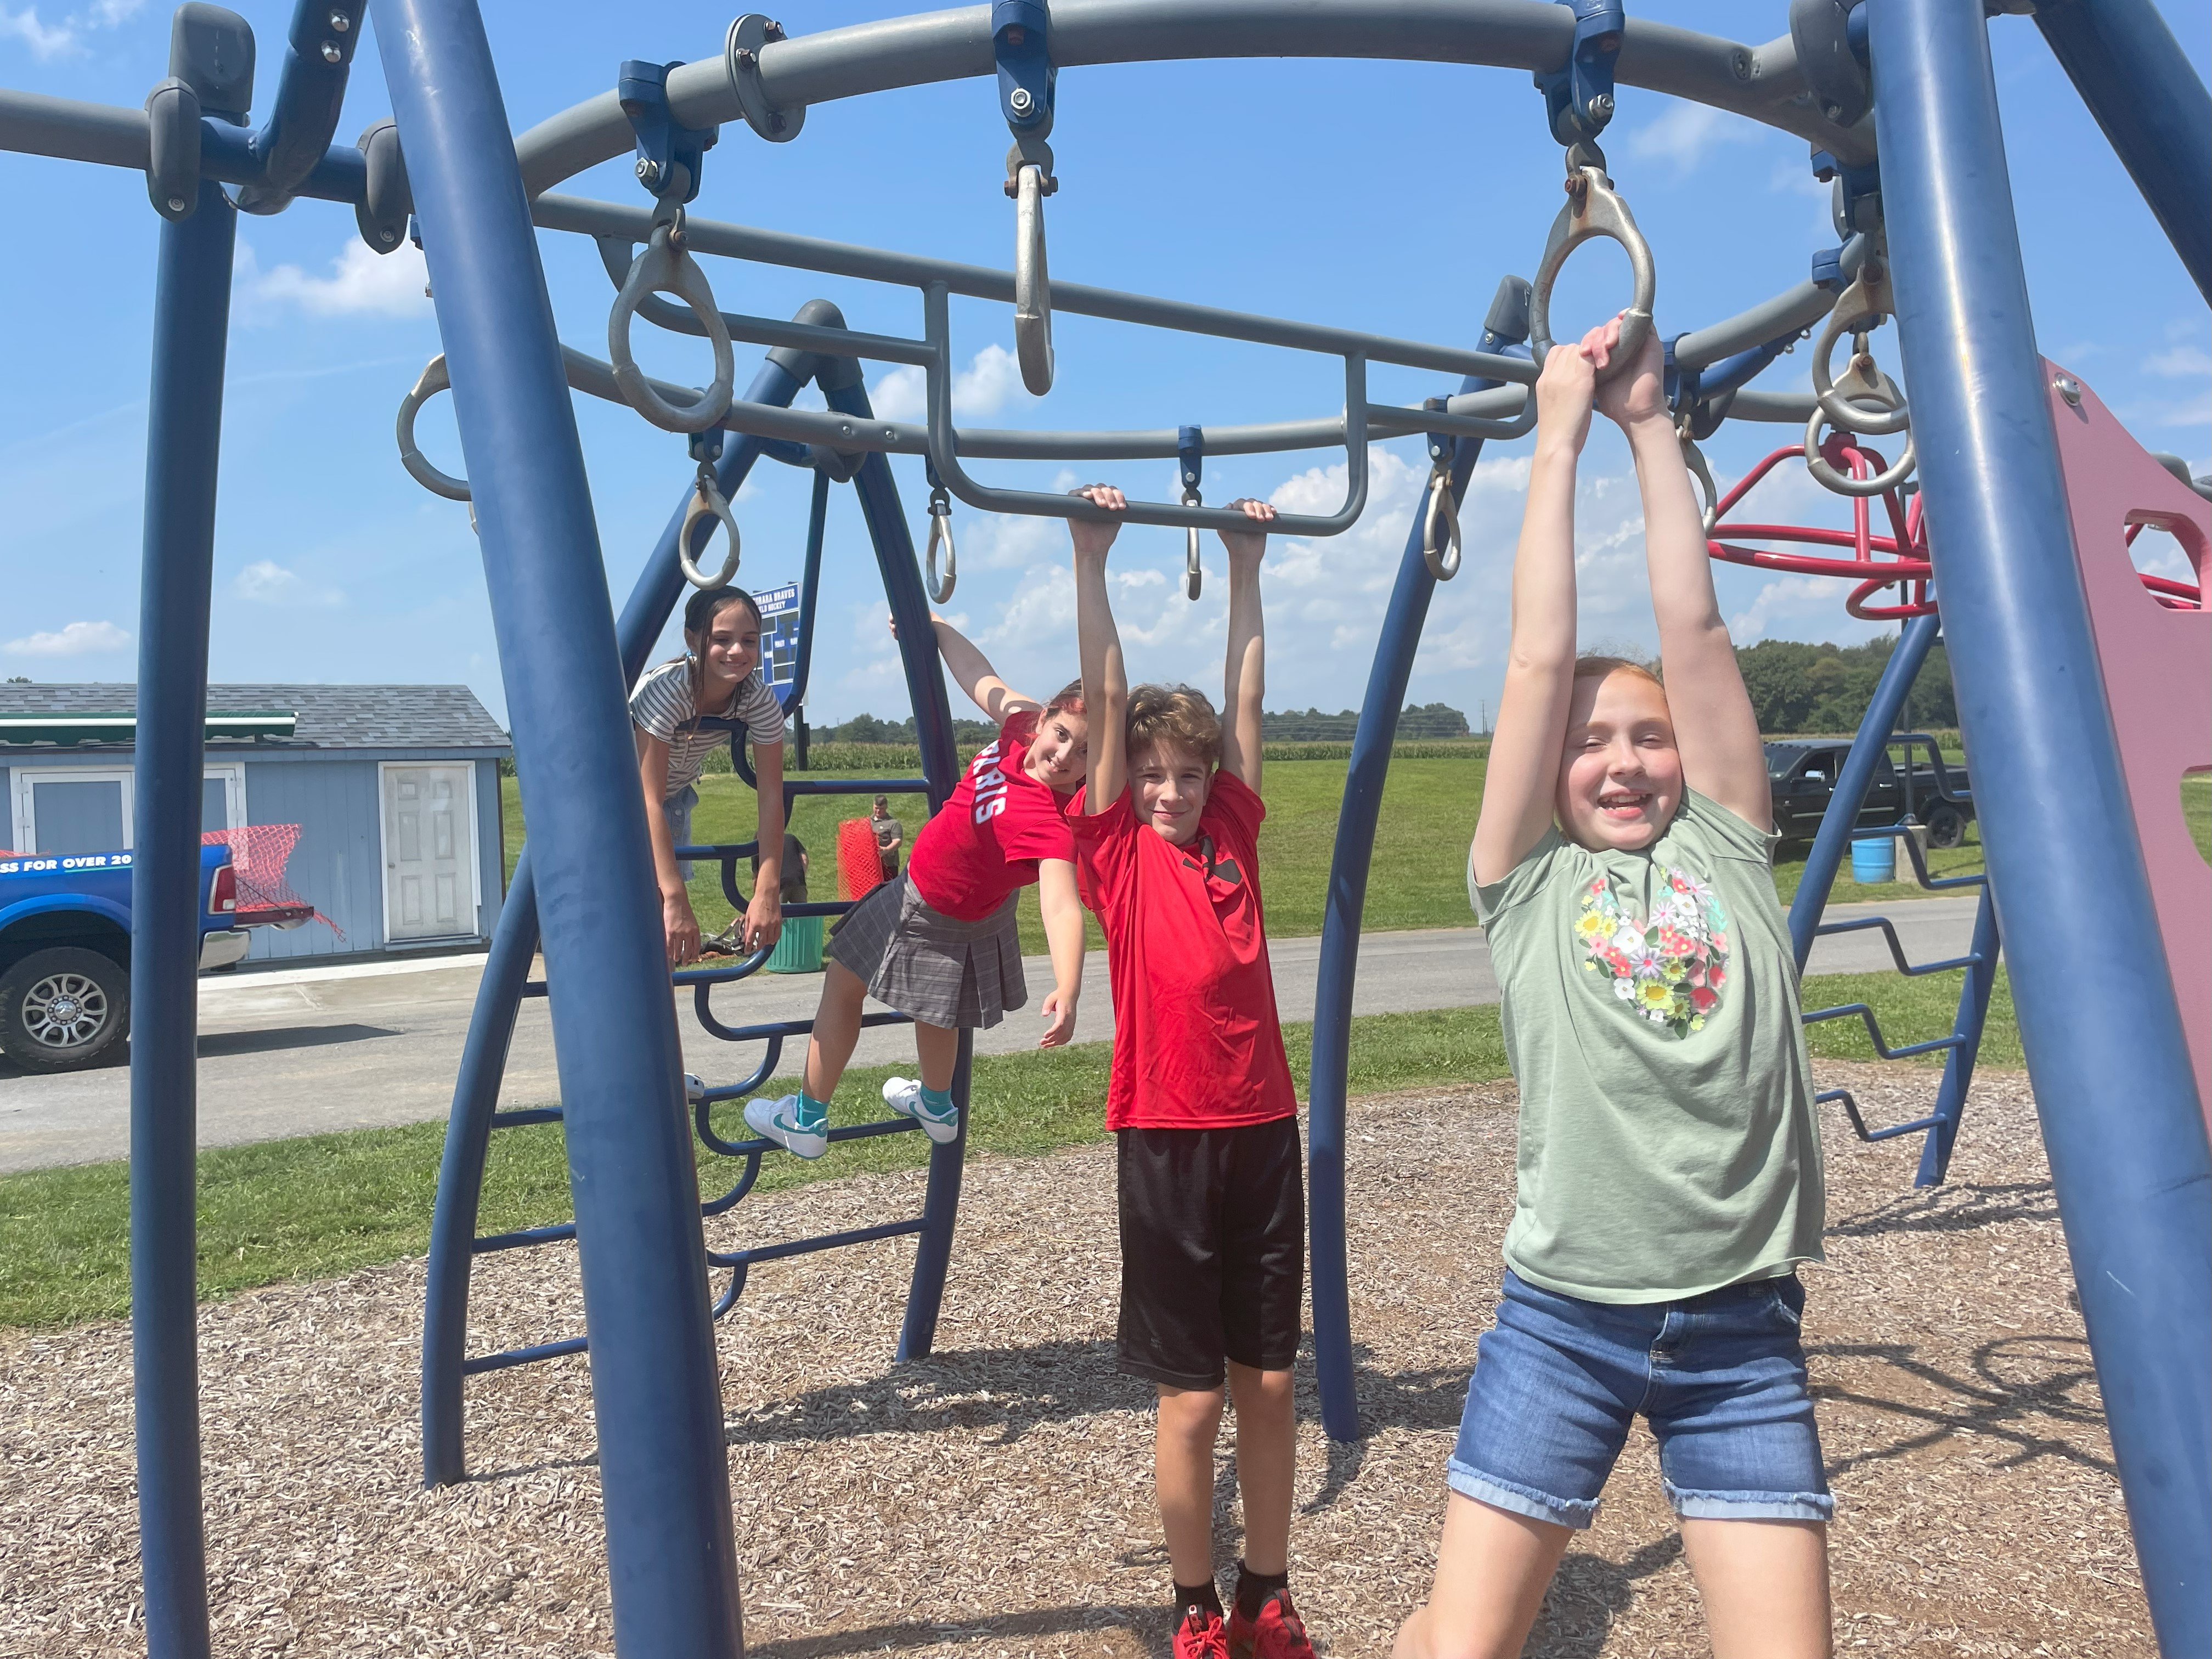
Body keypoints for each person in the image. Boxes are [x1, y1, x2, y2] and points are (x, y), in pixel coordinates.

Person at [1392, 317, 1831, 1659]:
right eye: (1592, 744)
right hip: (1564, 1324)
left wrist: (1652, 427)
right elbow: (1539, 656)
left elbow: (1688, 621)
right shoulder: (1525, 880)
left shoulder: (1728, 843)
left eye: (1649, 734)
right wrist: (1561, 428)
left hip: (1737, 1338)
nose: (1627, 758)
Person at [1067, 485, 1317, 1659]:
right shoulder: (1116, 844)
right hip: (1166, 1137)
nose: (1170, 789)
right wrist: (1093, 556)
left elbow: (1249, 695)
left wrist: (1247, 563)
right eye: (1154, 771)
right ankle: (1193, 1604)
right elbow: (1108, 699)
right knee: (1195, 1399)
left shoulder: (1236, 831)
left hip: (1263, 1127)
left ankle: (1266, 1590)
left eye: (1188, 772)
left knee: (1267, 1388)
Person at [743, 614, 1089, 1158]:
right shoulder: (1019, 728)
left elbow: (1062, 906)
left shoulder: (1051, 818)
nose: (1065, 756)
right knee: (938, 1008)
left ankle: (807, 1118)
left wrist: (1068, 988)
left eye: (1085, 753)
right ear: (1044, 719)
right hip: (964, 904)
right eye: (1062, 734)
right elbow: (983, 678)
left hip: (927, 901)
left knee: (842, 986)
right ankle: (935, 1103)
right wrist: (935, 628)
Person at [632, 585, 787, 968]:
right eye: (722, 639)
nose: (737, 651)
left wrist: (767, 889)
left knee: (665, 942)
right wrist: (674, 895)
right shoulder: (669, 692)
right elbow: (644, 798)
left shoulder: (757, 698)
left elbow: (771, 796)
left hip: (672, 797)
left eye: (749, 640)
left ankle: (657, 1025)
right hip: (623, 802)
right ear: (692, 639)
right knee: (644, 923)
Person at [870, 794, 904, 882]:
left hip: (888, 865)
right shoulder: (868, 821)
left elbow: (898, 841)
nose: (878, 811)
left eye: (881, 809)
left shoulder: (892, 823)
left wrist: (886, 850)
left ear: (886, 807)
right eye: (876, 808)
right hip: (871, 865)